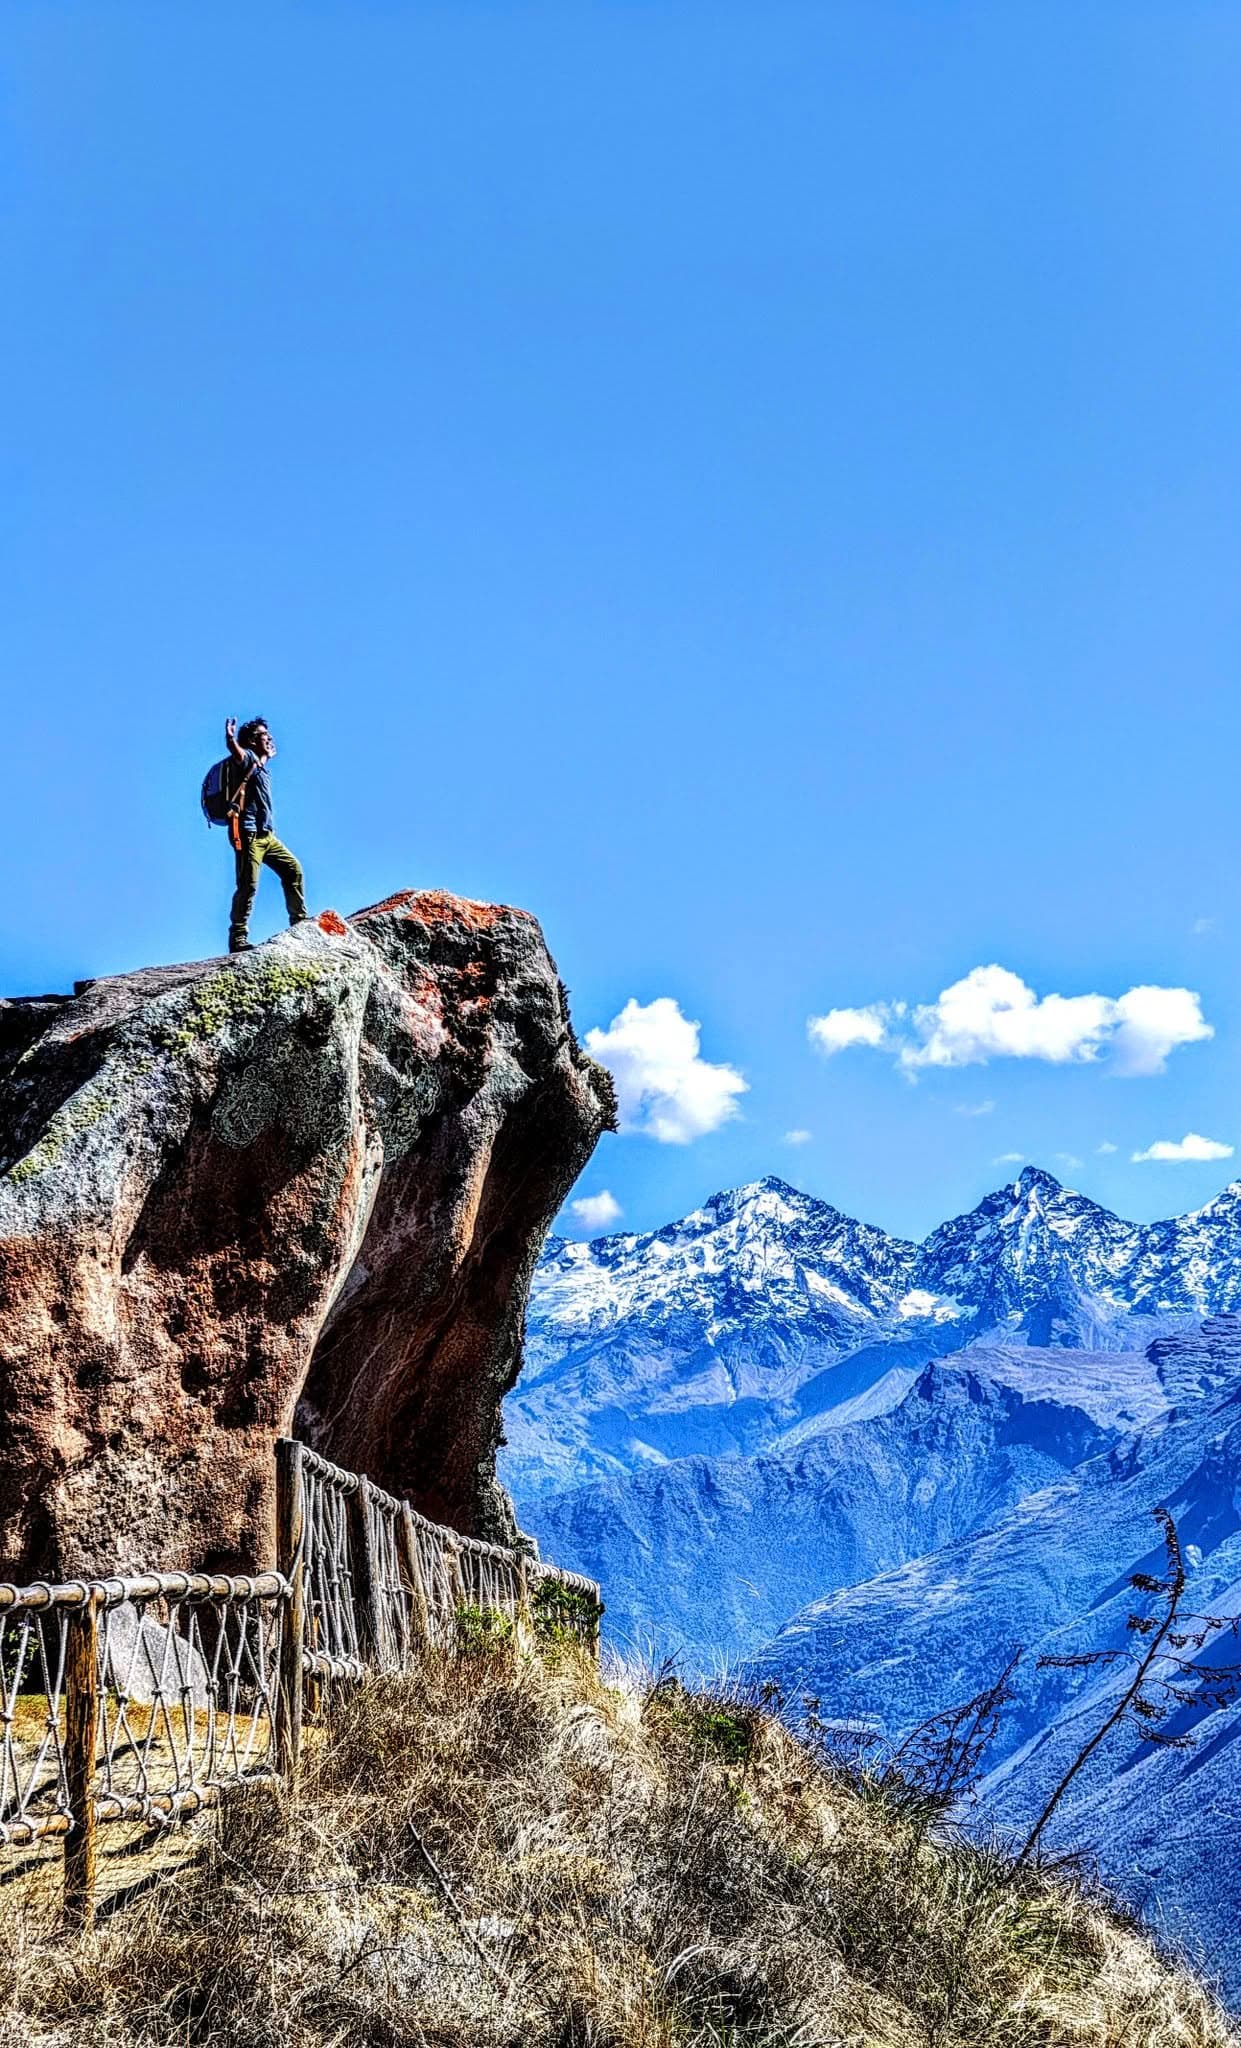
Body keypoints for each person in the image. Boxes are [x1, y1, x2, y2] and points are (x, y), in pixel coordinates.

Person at [224, 716, 310, 953]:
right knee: (248, 885)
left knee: (293, 870)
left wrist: (265, 758)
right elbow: (237, 752)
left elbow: (256, 769)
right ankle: (238, 937)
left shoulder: (259, 765)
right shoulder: (246, 758)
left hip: (266, 836)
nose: (270, 738)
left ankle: (300, 923)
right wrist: (230, 738)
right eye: (264, 734)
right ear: (252, 741)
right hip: (248, 834)